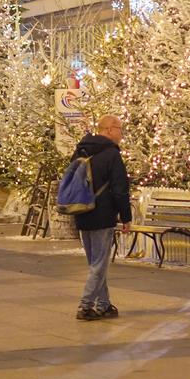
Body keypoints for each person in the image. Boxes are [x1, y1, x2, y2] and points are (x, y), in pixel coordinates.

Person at [71, 115, 132, 321]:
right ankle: (85, 305)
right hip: (102, 214)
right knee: (99, 264)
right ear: (108, 130)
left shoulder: (80, 151)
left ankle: (103, 304)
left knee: (95, 263)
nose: (121, 134)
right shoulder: (111, 154)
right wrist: (126, 217)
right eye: (120, 129)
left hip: (81, 212)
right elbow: (120, 189)